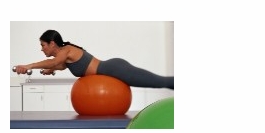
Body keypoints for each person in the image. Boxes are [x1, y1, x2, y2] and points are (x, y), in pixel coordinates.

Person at [13, 30, 174, 89]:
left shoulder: (66, 49)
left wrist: (29, 66)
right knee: (159, 83)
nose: (42, 49)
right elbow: (60, 65)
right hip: (111, 71)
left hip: (114, 69)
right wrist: (50, 70)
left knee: (159, 82)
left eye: (43, 45)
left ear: (52, 43)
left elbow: (55, 62)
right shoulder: (65, 55)